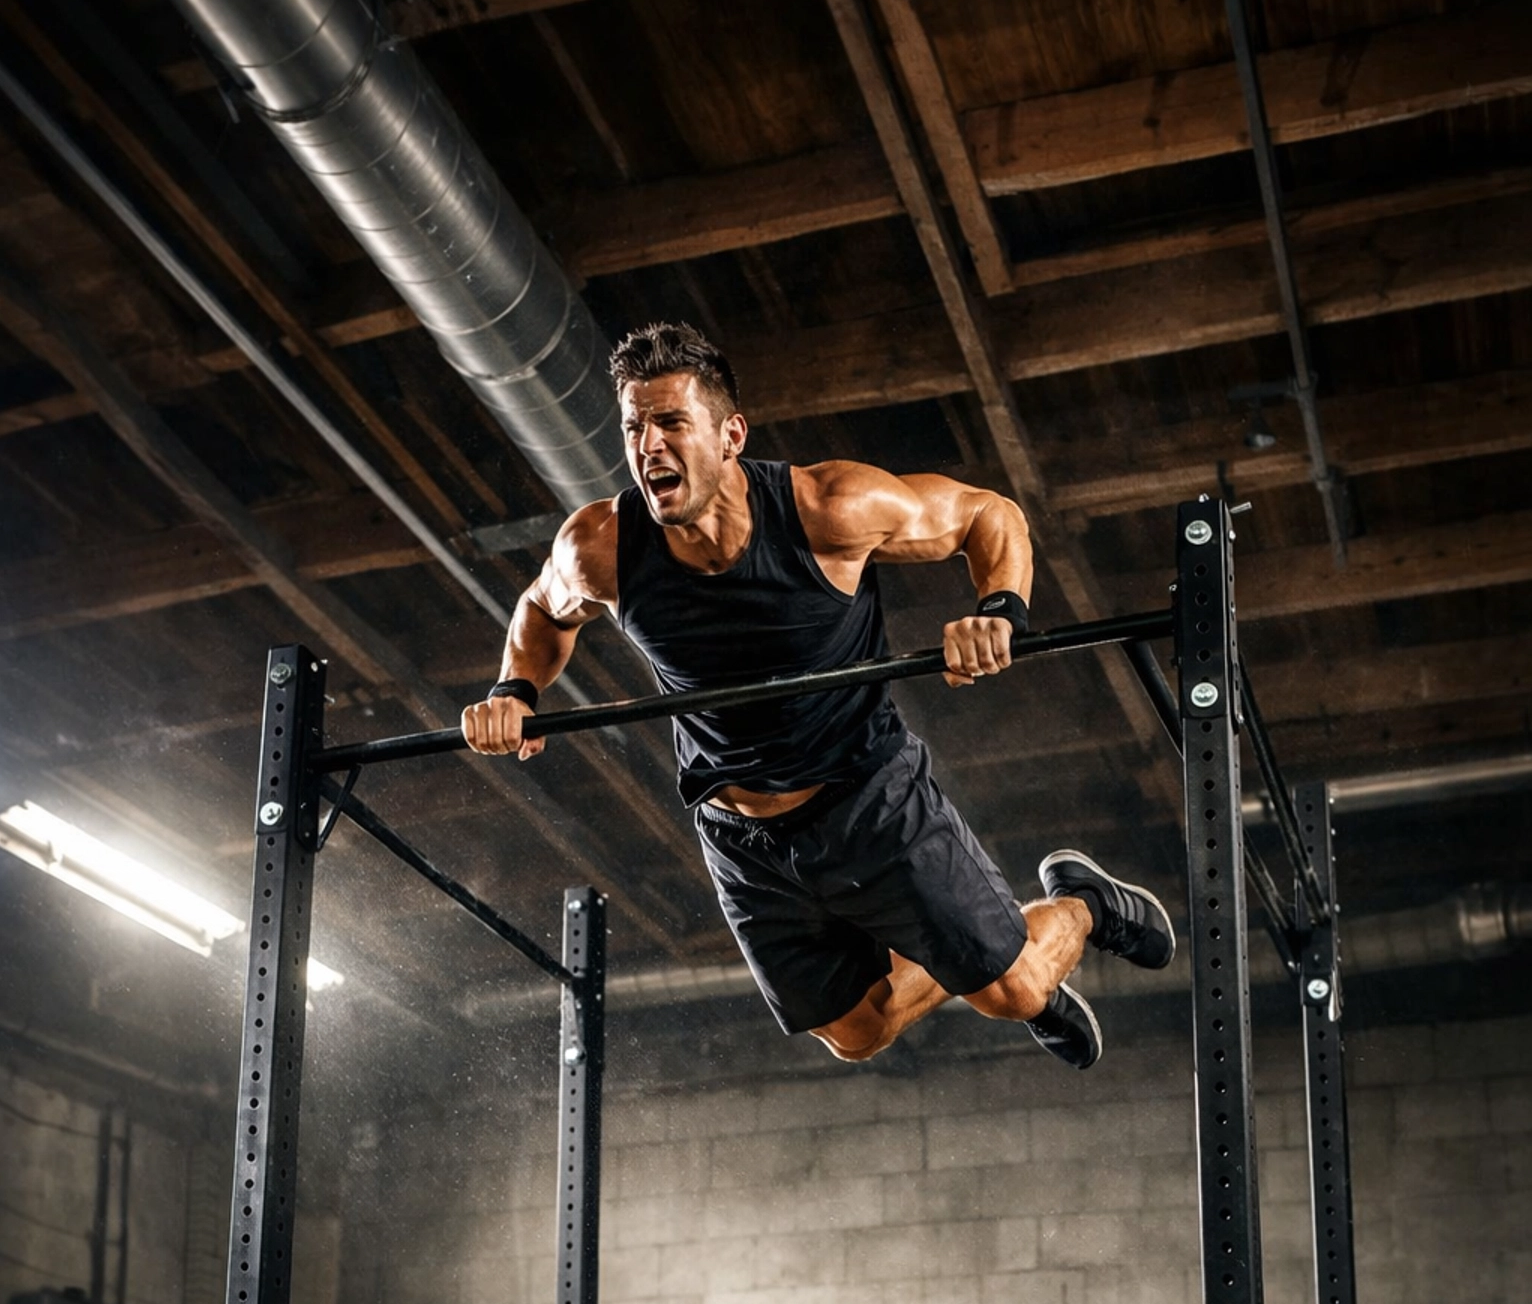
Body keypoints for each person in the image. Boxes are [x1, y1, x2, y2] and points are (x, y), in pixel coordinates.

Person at [462, 322, 1174, 1066]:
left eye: (671, 422)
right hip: (739, 833)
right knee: (859, 1035)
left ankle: (1082, 908)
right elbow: (543, 607)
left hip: (867, 796)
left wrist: (998, 611)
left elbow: (987, 515)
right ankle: (983, 956)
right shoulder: (602, 545)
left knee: (1015, 993)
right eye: (634, 427)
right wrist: (515, 689)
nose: (648, 447)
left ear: (730, 434)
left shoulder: (829, 509)